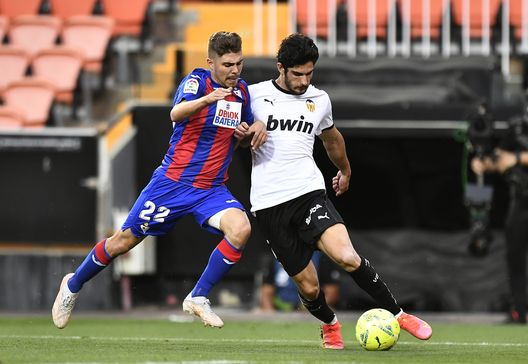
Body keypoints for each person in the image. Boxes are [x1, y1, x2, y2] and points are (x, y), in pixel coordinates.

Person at [52, 31, 267, 329]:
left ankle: (198, 296)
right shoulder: (196, 82)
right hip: (172, 184)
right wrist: (207, 100)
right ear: (211, 62)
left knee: (241, 228)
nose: (235, 70)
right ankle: (72, 285)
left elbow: (239, 135)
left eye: (238, 63)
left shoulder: (241, 92)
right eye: (228, 64)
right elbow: (176, 113)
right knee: (124, 241)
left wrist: (248, 131)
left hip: (211, 189)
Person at [235, 33, 432, 349]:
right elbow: (234, 133)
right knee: (310, 288)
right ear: (280, 67)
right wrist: (246, 131)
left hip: (309, 193)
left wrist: (345, 169)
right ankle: (330, 324)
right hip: (269, 205)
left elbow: (331, 138)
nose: (303, 80)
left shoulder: (319, 100)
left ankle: (398, 314)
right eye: (297, 73)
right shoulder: (253, 96)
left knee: (347, 256)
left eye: (309, 73)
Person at [471, 117, 528, 324]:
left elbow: (513, 158)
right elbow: (502, 158)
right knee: (514, 257)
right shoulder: (517, 127)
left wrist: (518, 157)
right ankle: (519, 311)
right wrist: (484, 163)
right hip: (520, 200)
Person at [259, 251, 341, 312]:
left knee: (331, 312)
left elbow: (332, 293)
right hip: (281, 309)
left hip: (311, 310)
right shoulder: (276, 256)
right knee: (257, 312)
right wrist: (270, 312)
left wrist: (312, 309)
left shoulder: (320, 257)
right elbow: (266, 292)